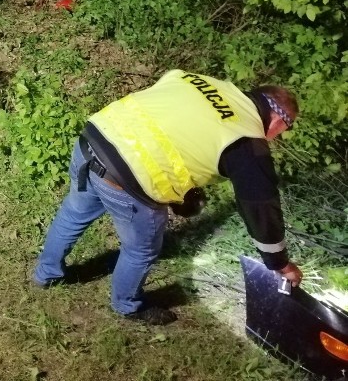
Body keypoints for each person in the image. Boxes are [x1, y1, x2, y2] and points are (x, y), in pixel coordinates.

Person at [33, 69, 302, 325]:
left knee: (73, 213)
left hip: (92, 141)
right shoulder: (246, 138)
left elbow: (173, 130)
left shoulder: (200, 81)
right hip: (125, 179)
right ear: (279, 120)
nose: (279, 137)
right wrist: (280, 263)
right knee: (141, 249)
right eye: (285, 130)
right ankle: (126, 305)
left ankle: (46, 275)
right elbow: (260, 206)